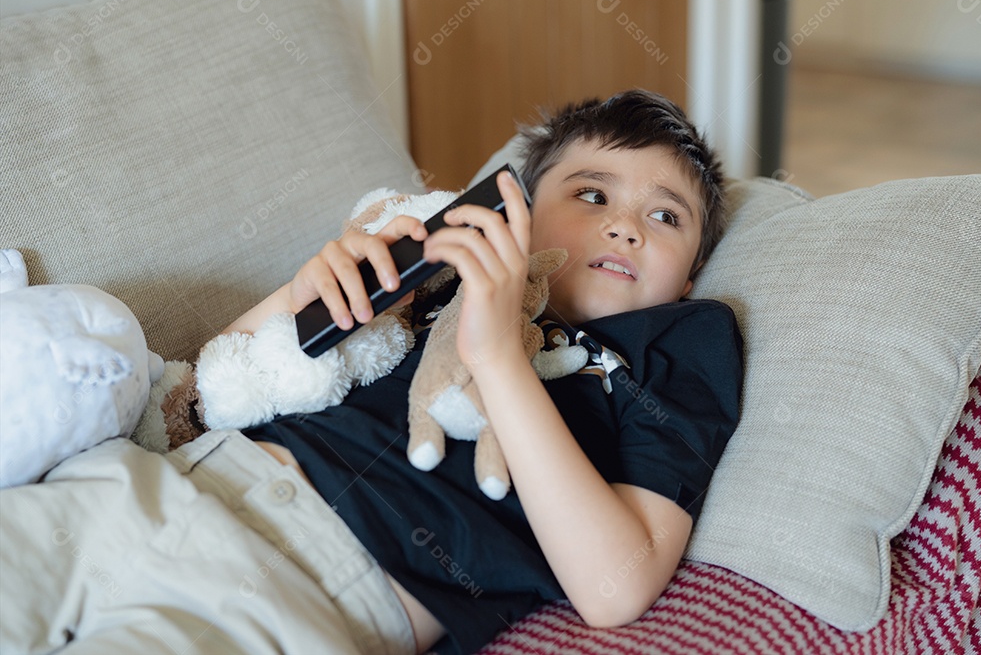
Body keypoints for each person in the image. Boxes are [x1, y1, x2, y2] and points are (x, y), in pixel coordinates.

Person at [0, 90, 743, 655]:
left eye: (667, 217)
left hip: (294, 591)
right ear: (519, 209)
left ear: (690, 275)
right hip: (150, 487)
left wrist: (497, 354)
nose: (626, 225)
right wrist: (297, 301)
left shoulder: (673, 345)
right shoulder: (437, 275)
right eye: (591, 194)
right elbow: (206, 395)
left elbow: (615, 589)